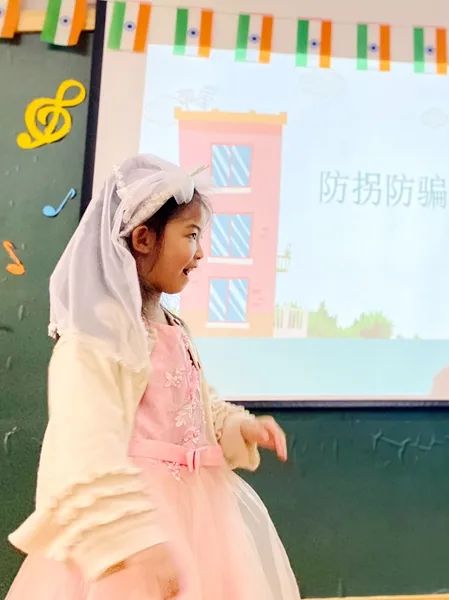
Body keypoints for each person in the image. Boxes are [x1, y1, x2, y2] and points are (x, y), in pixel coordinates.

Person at [5, 154, 300, 599]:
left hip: (201, 514)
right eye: (191, 235)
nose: (201, 253)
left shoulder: (172, 324)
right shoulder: (99, 334)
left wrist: (234, 425)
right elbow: (83, 443)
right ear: (144, 238)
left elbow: (189, 401)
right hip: (139, 523)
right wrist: (137, 543)